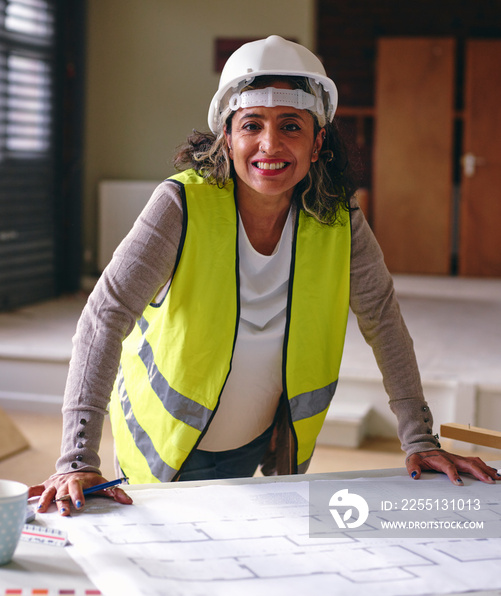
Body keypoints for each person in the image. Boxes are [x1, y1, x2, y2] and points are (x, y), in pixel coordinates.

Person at [31, 35, 499, 516]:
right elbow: (103, 316)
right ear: (227, 137)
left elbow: (383, 319)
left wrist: (420, 437)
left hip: (268, 441)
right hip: (167, 450)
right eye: (252, 125)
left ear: (318, 143)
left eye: (291, 126)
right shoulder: (180, 205)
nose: (270, 145)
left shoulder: (340, 221)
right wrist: (76, 455)